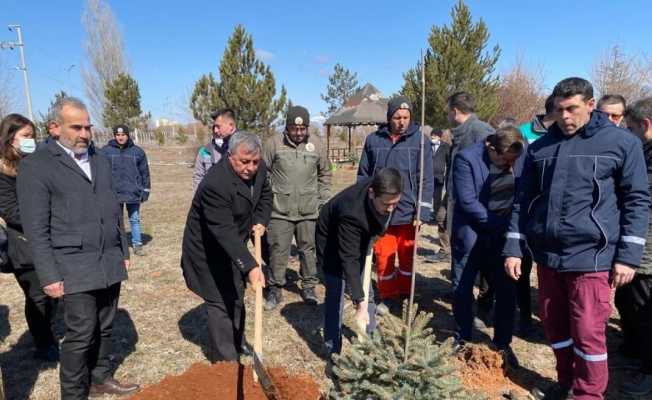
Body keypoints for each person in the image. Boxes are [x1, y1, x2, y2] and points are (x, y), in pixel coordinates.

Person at [503, 78, 650, 400]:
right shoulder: (540, 148)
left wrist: (628, 256)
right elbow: (523, 200)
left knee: (587, 332)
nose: (565, 117)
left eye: (572, 109)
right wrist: (513, 246)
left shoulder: (621, 144)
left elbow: (637, 199)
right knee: (555, 326)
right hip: (548, 255)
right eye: (559, 110)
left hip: (592, 256)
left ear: (590, 105)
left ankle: (588, 394)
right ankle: (567, 381)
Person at [17, 97, 138, 399]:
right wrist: (48, 275)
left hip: (108, 258)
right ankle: (73, 394)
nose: (85, 133)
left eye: (88, 126)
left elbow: (113, 208)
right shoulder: (37, 166)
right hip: (72, 263)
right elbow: (36, 228)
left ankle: (100, 378)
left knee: (106, 326)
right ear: (55, 128)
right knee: (81, 333)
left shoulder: (98, 158)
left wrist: (122, 251)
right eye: (77, 127)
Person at [181, 131, 271, 362]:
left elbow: (265, 196)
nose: (250, 168)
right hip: (207, 249)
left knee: (236, 294)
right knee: (219, 300)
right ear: (230, 156)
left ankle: (238, 341)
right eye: (244, 162)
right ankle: (226, 362)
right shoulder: (215, 184)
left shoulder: (260, 169)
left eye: (254, 162)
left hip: (234, 243)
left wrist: (259, 221)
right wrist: (251, 266)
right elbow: (224, 232)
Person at [451, 125, 525, 366]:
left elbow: (521, 196)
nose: (508, 165)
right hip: (472, 235)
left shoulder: (518, 155)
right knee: (462, 288)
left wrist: (512, 231)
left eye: (512, 161)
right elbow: (468, 202)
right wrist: (500, 224)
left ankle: (503, 343)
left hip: (504, 239)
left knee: (506, 290)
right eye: (504, 160)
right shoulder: (467, 159)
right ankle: (462, 337)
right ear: (491, 148)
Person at [357, 96, 434, 312]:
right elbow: (363, 174)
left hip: (409, 213)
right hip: (381, 212)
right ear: (389, 117)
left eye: (406, 117)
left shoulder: (421, 141)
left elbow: (426, 179)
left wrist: (423, 211)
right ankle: (388, 295)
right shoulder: (373, 140)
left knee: (407, 258)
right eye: (397, 117)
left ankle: (406, 295)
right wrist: (366, 205)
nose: (402, 121)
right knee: (383, 257)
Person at [318, 168, 401, 355]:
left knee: (367, 291)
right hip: (331, 240)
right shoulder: (351, 211)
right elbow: (349, 259)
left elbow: (385, 213)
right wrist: (358, 302)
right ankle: (333, 351)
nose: (391, 209)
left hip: (360, 234)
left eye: (395, 204)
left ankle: (370, 344)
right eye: (387, 204)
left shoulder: (385, 189)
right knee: (336, 292)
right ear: (372, 193)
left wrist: (376, 234)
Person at [0, 114, 59, 362]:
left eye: (32, 135)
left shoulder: (36, 163)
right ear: (10, 138)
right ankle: (43, 343)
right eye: (25, 136)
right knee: (37, 296)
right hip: (22, 243)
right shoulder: (3, 171)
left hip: (47, 239)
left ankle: (47, 332)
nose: (30, 140)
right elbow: (11, 210)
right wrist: (42, 219)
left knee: (52, 295)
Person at [262, 106, 331, 310]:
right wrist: (268, 197)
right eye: (294, 128)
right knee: (278, 250)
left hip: (308, 210)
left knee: (308, 250)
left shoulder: (316, 144)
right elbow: (262, 173)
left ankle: (309, 286)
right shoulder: (273, 143)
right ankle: (275, 289)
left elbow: (325, 174)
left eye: (303, 129)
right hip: (279, 211)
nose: (299, 133)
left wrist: (323, 199)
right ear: (287, 127)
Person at [446, 91, 495, 324]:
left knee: (472, 264)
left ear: (455, 111)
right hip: (463, 211)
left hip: (475, 214)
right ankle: (465, 309)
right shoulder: (462, 134)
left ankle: (477, 312)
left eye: (448, 111)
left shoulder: (481, 133)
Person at [617, 97, 652, 396]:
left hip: (647, 253)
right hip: (638, 247)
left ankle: (649, 374)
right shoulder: (645, 151)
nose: (628, 134)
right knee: (629, 304)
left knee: (645, 311)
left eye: (630, 128)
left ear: (646, 125)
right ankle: (637, 354)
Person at [102, 125, 151, 256]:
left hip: (133, 192)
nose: (120, 137)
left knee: (134, 219)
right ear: (114, 136)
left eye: (123, 135)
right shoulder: (105, 151)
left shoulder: (137, 152)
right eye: (117, 135)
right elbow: (100, 172)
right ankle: (117, 245)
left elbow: (144, 173)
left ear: (128, 135)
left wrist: (145, 190)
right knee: (115, 220)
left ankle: (137, 245)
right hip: (114, 193)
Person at [192, 108, 237, 192]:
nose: (215, 130)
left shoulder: (244, 146)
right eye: (214, 127)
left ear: (231, 126)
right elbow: (198, 177)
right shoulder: (205, 151)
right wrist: (198, 200)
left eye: (218, 126)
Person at [430, 129, 451, 258]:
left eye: (436, 135)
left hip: (439, 178)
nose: (433, 137)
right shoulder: (426, 146)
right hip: (428, 176)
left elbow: (448, 163)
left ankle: (447, 250)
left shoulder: (446, 147)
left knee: (438, 201)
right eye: (432, 135)